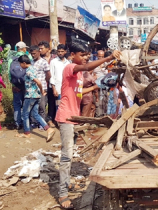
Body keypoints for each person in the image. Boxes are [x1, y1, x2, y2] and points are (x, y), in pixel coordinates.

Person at [55, 42, 121, 209]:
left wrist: (95, 87)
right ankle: (62, 193)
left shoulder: (77, 75)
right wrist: (109, 57)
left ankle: (67, 183)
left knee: (69, 154)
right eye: (82, 55)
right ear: (72, 55)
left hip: (73, 117)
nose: (85, 58)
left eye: (86, 55)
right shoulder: (70, 67)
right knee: (66, 156)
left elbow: (77, 93)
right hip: (66, 118)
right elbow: (88, 67)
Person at [16, 55, 56, 140]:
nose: (20, 66)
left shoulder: (29, 71)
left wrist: (41, 90)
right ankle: (48, 129)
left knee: (25, 114)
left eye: (20, 64)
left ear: (24, 63)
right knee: (35, 113)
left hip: (30, 95)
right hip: (36, 95)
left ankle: (27, 132)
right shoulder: (33, 68)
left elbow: (38, 81)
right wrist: (40, 92)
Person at [9, 41, 31, 130]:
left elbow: (9, 74)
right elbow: (30, 72)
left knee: (17, 105)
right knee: (26, 105)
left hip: (16, 86)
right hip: (26, 86)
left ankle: (17, 123)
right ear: (24, 49)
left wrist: (13, 85)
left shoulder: (11, 59)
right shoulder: (28, 57)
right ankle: (27, 123)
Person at [29, 45, 51, 130]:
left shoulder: (44, 62)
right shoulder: (31, 62)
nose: (33, 55)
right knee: (33, 107)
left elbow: (48, 75)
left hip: (42, 89)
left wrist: (44, 83)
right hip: (33, 89)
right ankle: (34, 122)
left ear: (38, 52)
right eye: (31, 54)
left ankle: (42, 124)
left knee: (42, 107)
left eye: (34, 53)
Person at [49, 44, 70, 125]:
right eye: (59, 51)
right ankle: (59, 122)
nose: (60, 53)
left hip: (66, 89)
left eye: (62, 51)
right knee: (58, 106)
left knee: (65, 106)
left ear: (65, 52)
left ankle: (63, 120)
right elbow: (52, 76)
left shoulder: (68, 62)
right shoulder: (53, 62)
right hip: (57, 88)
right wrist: (54, 89)